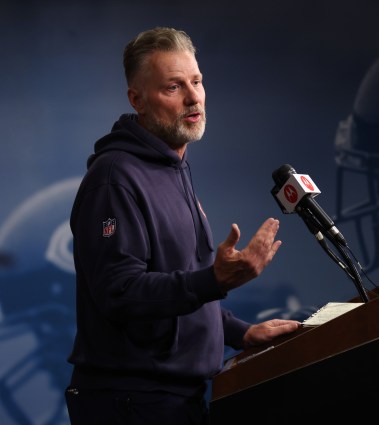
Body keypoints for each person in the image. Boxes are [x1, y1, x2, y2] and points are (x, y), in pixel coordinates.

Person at [64, 27, 301, 425]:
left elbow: (180, 287)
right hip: (131, 403)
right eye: (173, 87)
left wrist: (240, 333)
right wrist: (214, 280)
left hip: (174, 400)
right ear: (137, 99)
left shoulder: (174, 167)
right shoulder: (115, 178)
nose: (194, 97)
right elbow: (120, 293)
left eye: (196, 81)